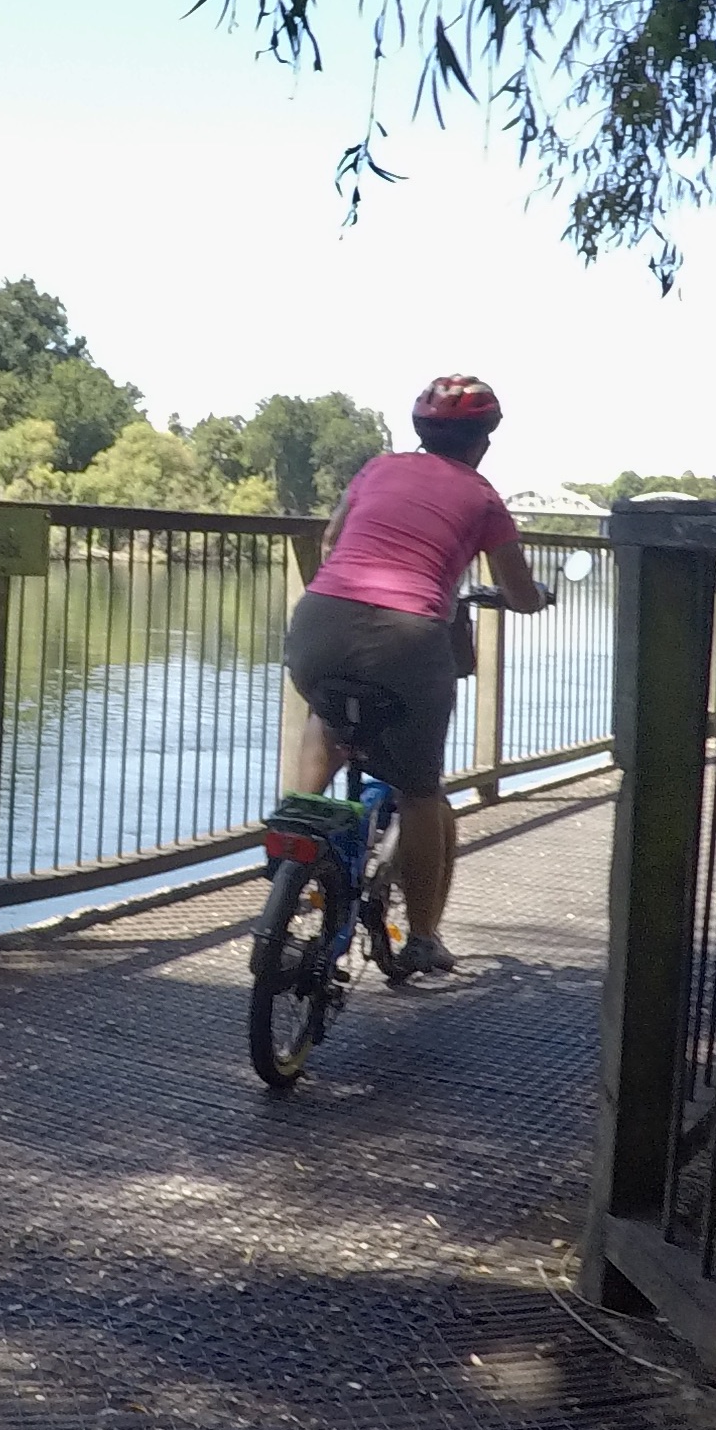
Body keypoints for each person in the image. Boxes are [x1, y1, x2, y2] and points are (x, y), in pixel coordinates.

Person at [279, 374, 551, 978]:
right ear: (483, 442)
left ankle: (299, 839)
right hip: (408, 639)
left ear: (421, 433)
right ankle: (423, 938)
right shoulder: (483, 497)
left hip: (320, 619)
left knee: (325, 716)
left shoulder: (379, 468)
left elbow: (333, 538)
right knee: (420, 789)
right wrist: (535, 599)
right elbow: (518, 589)